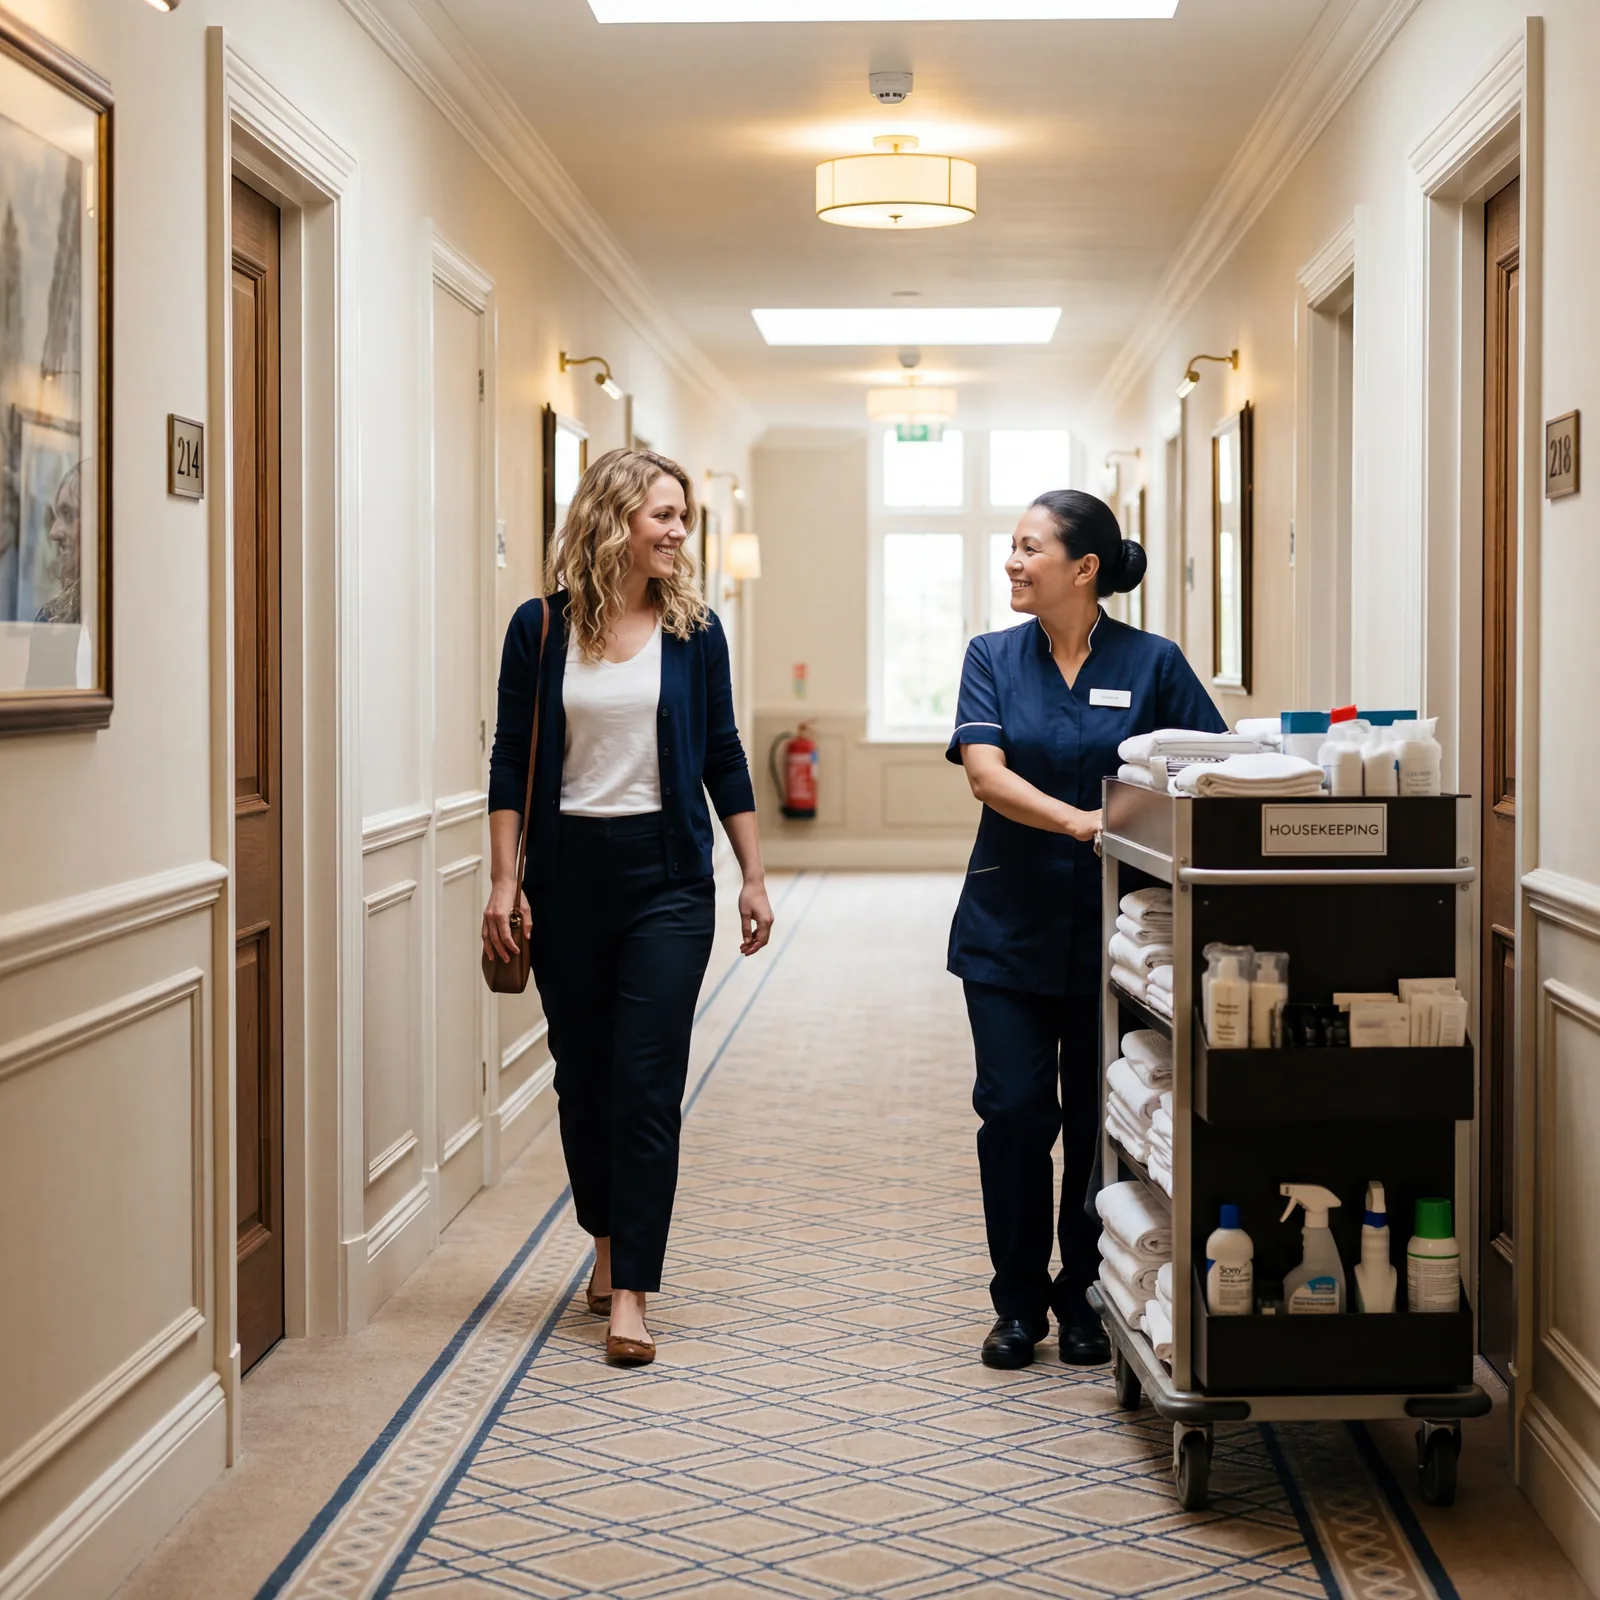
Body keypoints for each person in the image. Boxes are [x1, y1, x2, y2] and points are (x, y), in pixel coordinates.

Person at [483, 447, 773, 1368]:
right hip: (566, 878)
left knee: (646, 1086)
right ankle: (604, 1248)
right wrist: (503, 880)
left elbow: (724, 753)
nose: (680, 532)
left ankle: (633, 1295)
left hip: (667, 879)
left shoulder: (697, 632)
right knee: (584, 1078)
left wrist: (753, 874)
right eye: (664, 515)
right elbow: (509, 764)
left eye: (684, 516)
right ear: (615, 518)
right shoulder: (540, 630)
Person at [947, 489, 1225, 1370]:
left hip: (1119, 939)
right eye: (1012, 547)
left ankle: (1084, 1294)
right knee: (1016, 1111)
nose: (1013, 564)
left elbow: (1207, 776)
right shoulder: (992, 656)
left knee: (1098, 1115)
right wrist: (1080, 821)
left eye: (1030, 548)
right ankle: (1018, 1301)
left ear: (1084, 567)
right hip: (1006, 926)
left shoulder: (1154, 663)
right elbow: (987, 777)